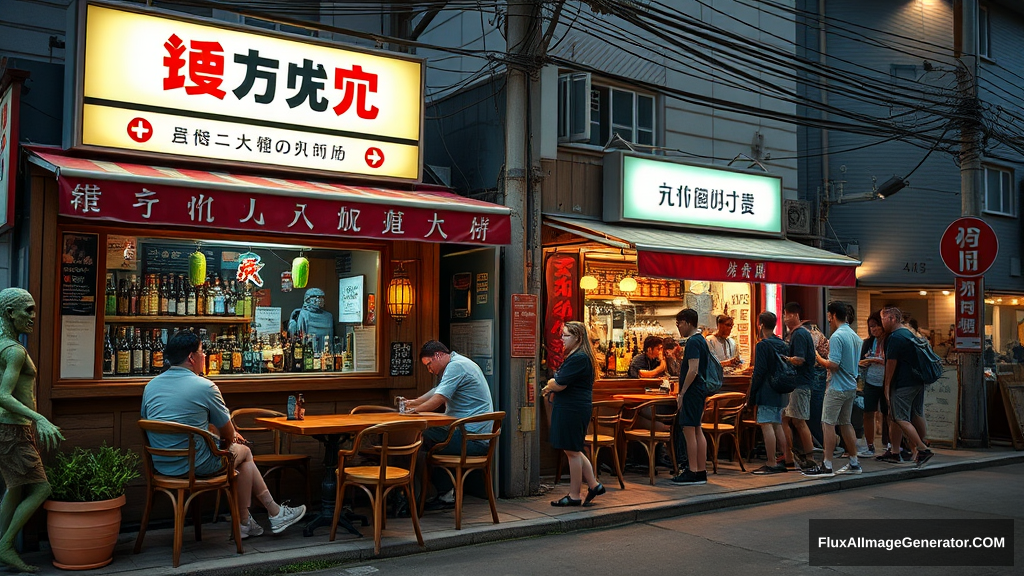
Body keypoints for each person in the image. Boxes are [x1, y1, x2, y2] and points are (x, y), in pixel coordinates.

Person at [141, 331, 305, 539]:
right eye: (202, 352)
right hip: (197, 466)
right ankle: (261, 516)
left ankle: (261, 518)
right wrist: (228, 437)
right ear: (192, 358)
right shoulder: (205, 386)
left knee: (242, 456)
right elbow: (229, 433)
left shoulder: (150, 386)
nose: (205, 356)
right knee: (244, 453)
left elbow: (150, 422)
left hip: (162, 465)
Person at [0, 289, 65, 573]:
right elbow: (3, 395)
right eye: (27, 310)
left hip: (9, 428)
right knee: (41, 488)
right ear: (10, 313)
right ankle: (6, 544)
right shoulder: (14, 350)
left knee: (15, 489)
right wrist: (39, 418)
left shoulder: (5, 345)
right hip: (13, 429)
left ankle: (1, 546)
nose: (33, 316)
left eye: (34, 310)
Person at [405, 340, 494, 507]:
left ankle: (421, 495)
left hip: (472, 439)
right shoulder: (458, 363)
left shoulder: (456, 366)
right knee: (425, 439)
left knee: (418, 439)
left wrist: (413, 411)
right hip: (467, 434)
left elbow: (438, 399)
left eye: (429, 364)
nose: (429, 369)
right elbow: (436, 392)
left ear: (438, 355)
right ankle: (440, 493)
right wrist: (413, 403)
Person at [540, 321, 605, 507]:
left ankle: (575, 495)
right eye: (562, 335)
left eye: (566, 335)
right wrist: (554, 382)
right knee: (573, 449)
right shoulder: (579, 356)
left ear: (578, 337)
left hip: (572, 408)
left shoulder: (579, 358)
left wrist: (551, 384)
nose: (562, 339)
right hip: (573, 407)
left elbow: (559, 384)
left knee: (572, 452)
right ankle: (593, 484)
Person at [803, 301, 863, 477]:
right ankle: (854, 462)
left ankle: (827, 465)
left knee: (827, 423)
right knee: (846, 423)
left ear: (834, 315)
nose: (828, 320)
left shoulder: (837, 337)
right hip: (851, 386)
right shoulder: (854, 336)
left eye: (829, 316)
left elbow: (833, 365)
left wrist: (818, 358)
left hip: (837, 387)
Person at [880, 307, 934, 468]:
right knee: (916, 414)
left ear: (892, 318)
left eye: (883, 318)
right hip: (917, 381)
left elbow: (891, 364)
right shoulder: (909, 333)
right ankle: (901, 451)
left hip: (903, 383)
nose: (882, 322)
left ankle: (922, 449)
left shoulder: (895, 337)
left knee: (899, 417)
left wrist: (887, 387)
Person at [747, 312, 790, 475]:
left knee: (766, 425)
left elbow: (759, 371)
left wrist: (753, 392)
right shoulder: (782, 343)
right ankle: (784, 458)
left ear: (761, 325)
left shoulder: (762, 345)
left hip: (767, 390)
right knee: (777, 424)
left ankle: (771, 462)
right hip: (780, 390)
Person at [671, 308, 709, 485]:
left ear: (687, 322)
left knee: (689, 429)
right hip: (700, 389)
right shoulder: (701, 340)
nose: (678, 327)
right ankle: (700, 470)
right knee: (697, 428)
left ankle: (692, 470)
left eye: (679, 323)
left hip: (692, 391)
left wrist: (682, 392)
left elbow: (693, 369)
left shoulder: (693, 341)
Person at [780, 302, 817, 470]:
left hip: (800, 384)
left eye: (786, 315)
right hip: (797, 384)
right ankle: (789, 454)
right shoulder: (798, 333)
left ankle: (809, 457)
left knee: (799, 421)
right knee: (786, 419)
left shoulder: (799, 334)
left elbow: (800, 359)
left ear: (794, 315)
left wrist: (785, 359)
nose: (784, 318)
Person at [858, 311, 888, 458]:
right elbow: (860, 362)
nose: (874, 329)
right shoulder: (868, 342)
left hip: (887, 382)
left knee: (887, 414)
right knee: (868, 412)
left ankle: (889, 444)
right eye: (871, 327)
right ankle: (870, 445)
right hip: (870, 381)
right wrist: (869, 360)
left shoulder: (890, 340)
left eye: (876, 326)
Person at [287, 288, 334, 352]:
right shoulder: (303, 314)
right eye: (318, 297)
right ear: (308, 299)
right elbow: (301, 337)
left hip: (326, 353)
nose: (321, 300)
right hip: (309, 352)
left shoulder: (328, 316)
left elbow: (331, 338)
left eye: (322, 297)